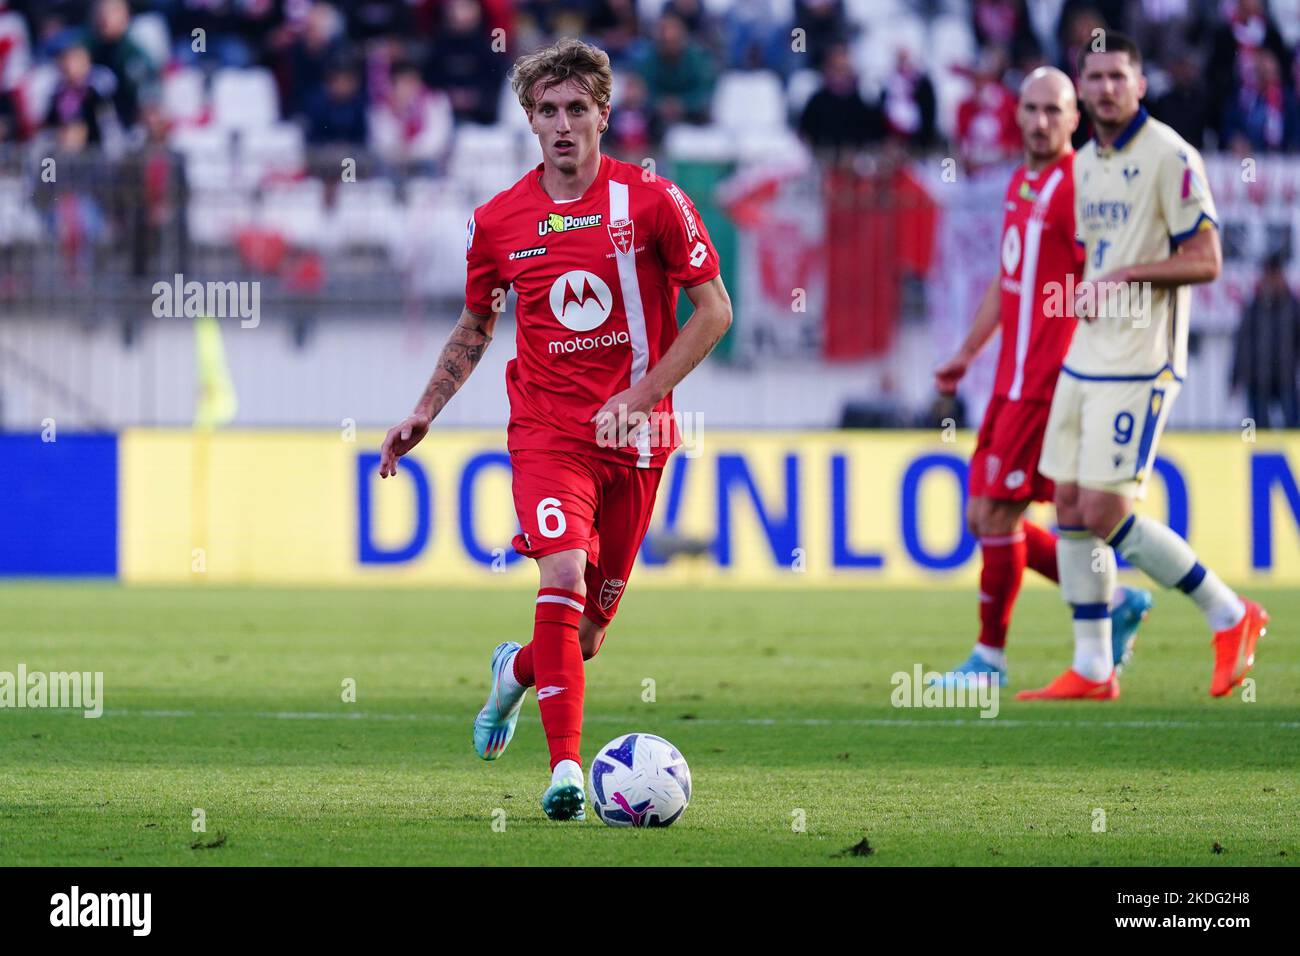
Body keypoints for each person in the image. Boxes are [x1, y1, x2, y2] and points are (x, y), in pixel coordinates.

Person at [378, 38, 732, 821]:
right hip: (548, 434)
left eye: (578, 108)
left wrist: (641, 397)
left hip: (637, 441)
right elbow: (477, 323)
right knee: (563, 576)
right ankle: (566, 770)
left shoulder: (653, 202)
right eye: (548, 111)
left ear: (605, 114)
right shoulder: (499, 221)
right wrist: (423, 411)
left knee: (589, 636)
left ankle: (514, 672)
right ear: (529, 121)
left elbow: (715, 311)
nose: (564, 124)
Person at [1024, 33, 1268, 702]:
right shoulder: (1083, 164)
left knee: (1106, 507)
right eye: (1094, 77)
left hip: (1140, 359)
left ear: (1140, 85)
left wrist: (1131, 273)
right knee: (1069, 504)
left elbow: (1208, 259)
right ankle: (1094, 665)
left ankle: (1228, 610)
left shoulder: (1171, 156)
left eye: (1116, 77)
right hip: (1086, 352)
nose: (1104, 88)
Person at [932, 66, 1151, 689]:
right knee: (983, 514)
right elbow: (1007, 287)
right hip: (1009, 381)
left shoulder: (1081, 186)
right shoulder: (1020, 184)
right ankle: (1114, 602)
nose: (1039, 121)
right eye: (1030, 110)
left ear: (1075, 117)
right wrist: (967, 353)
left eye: (1054, 110)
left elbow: (1110, 281)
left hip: (1050, 382)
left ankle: (989, 662)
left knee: (1000, 514)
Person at [1232, 252, 1300, 428]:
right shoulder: (1253, 307)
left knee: (1292, 427)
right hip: (1258, 380)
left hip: (1286, 380)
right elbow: (1242, 344)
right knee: (1258, 430)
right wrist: (1235, 378)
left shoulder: (1293, 307)